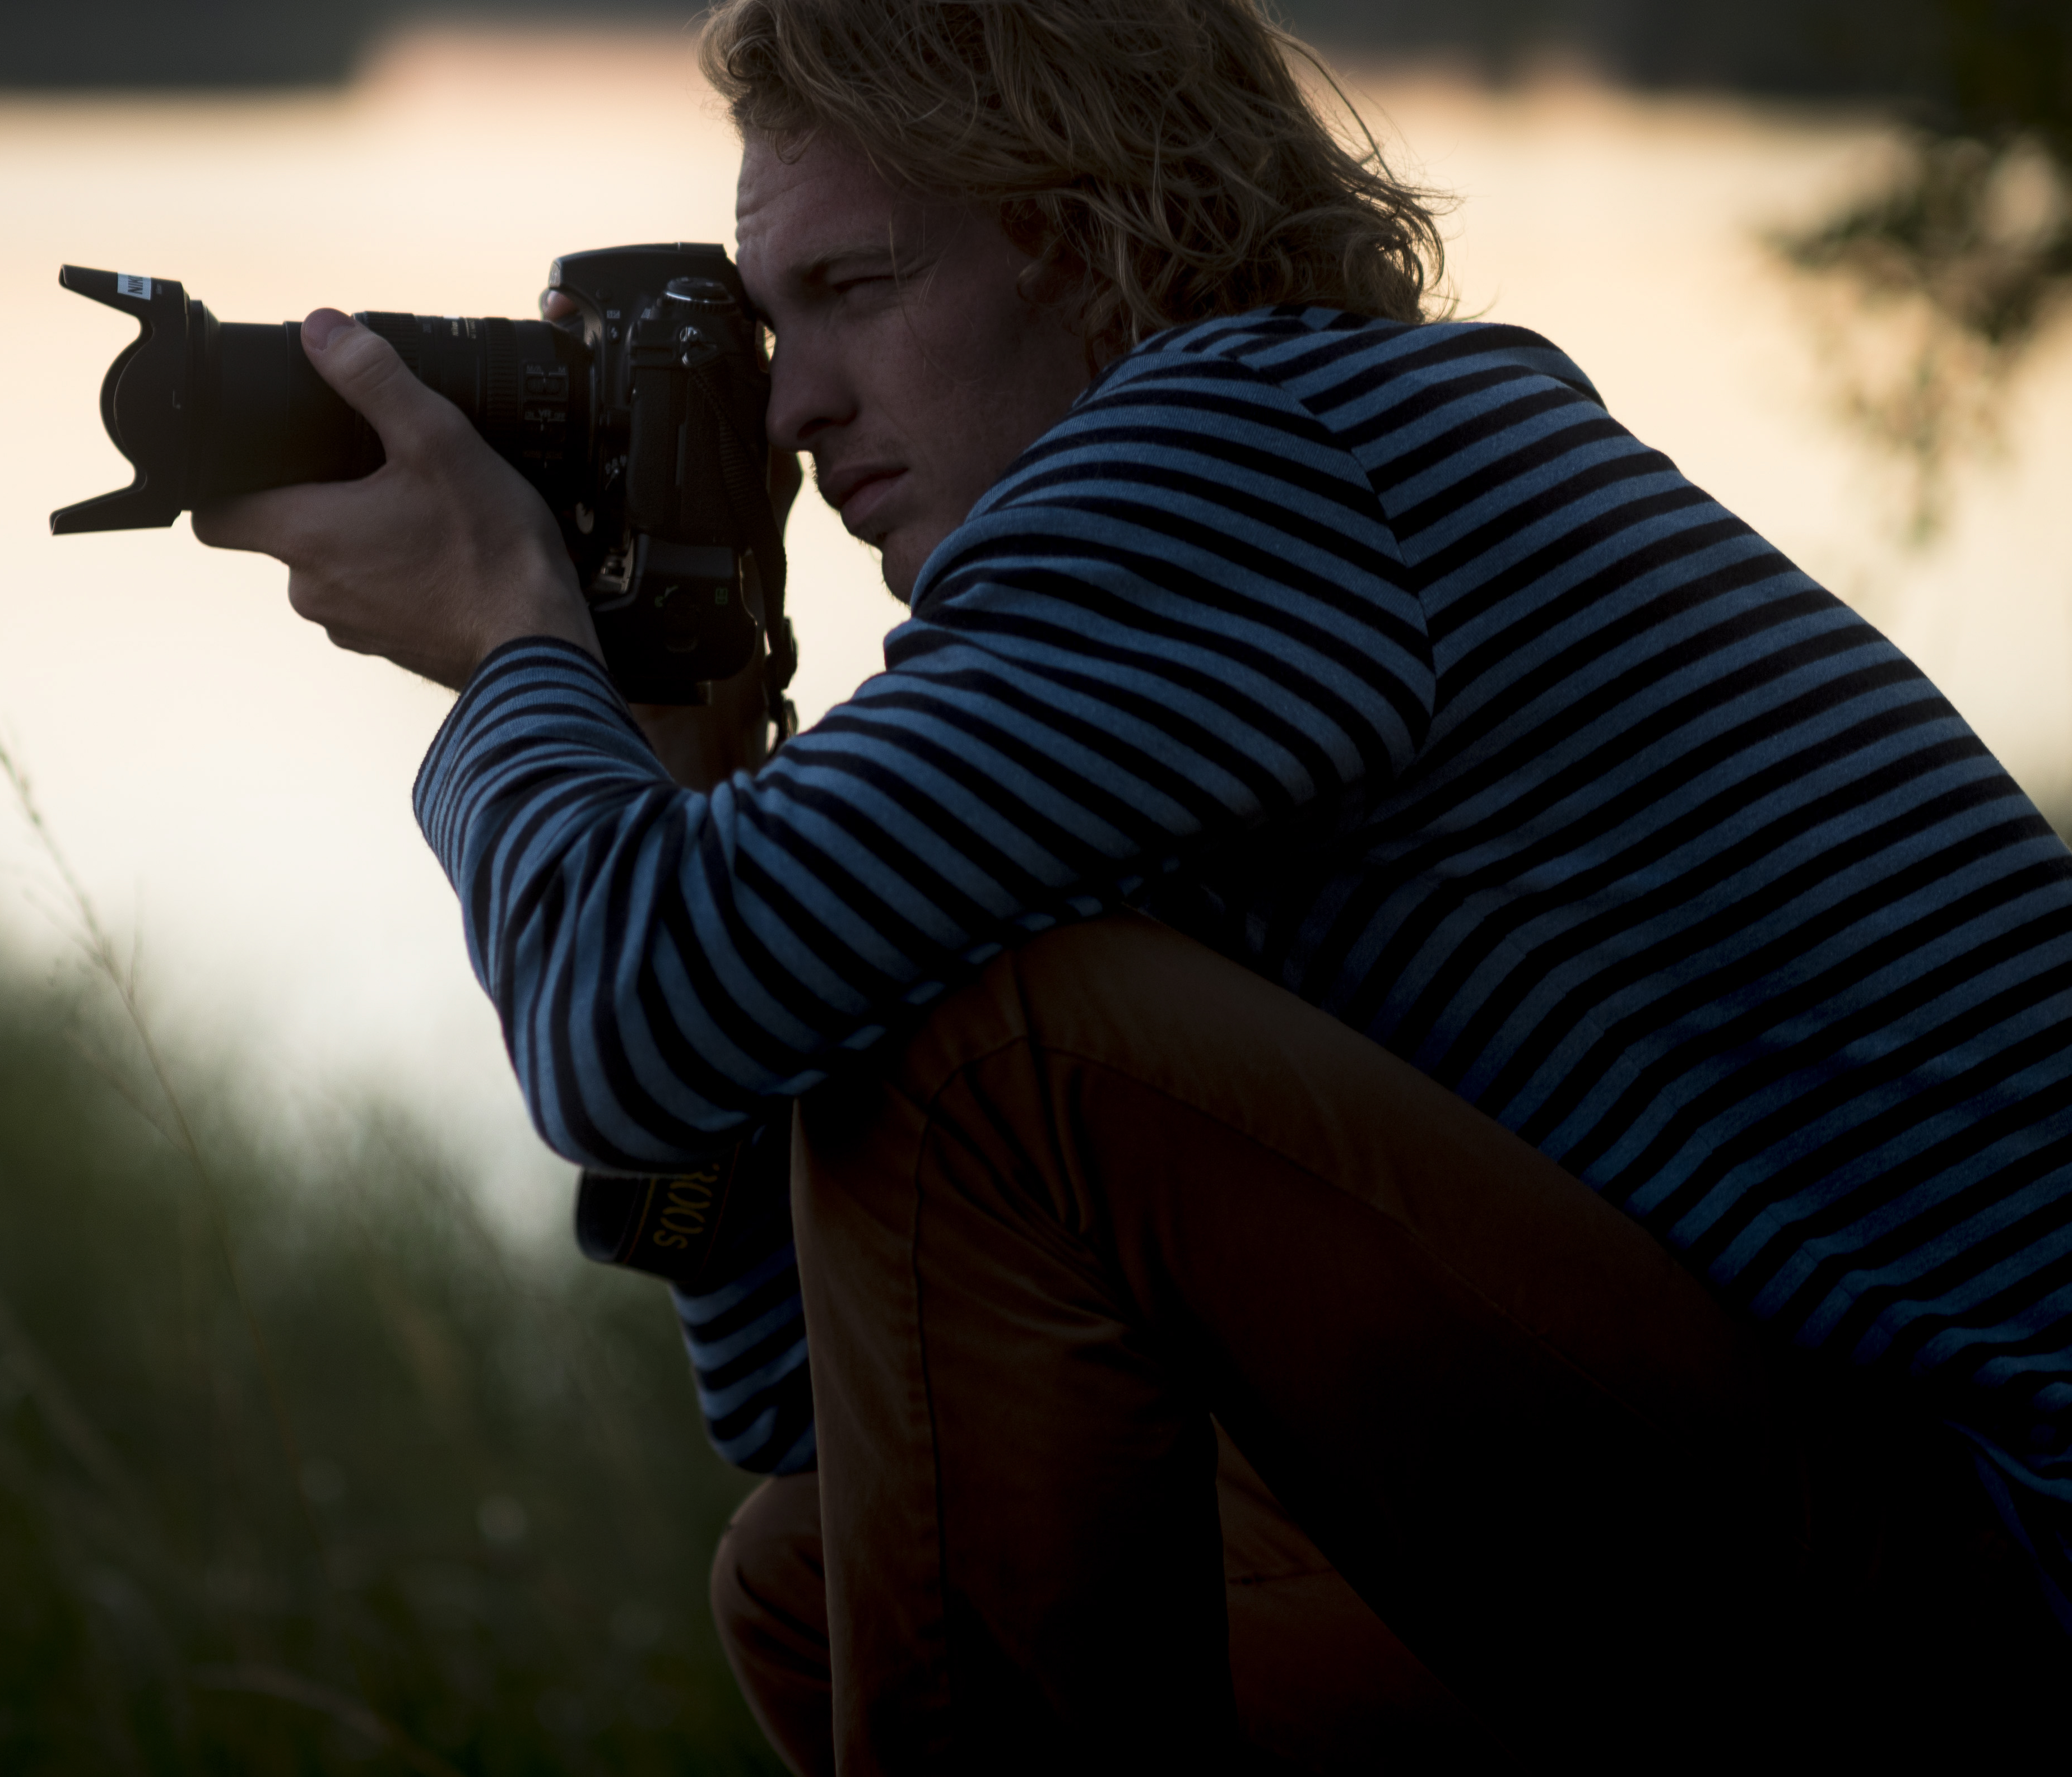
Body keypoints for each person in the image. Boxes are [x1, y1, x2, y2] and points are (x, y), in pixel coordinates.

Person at [194, 0, 2072, 1767]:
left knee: (990, 1054)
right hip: (1866, 1525)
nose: (791, 412)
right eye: (770, 325)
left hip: (2008, 1570)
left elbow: (624, 1031)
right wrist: (678, 752)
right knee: (818, 1574)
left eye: (857, 288)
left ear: (1101, 237)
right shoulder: (1199, 602)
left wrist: (514, 652)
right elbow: (819, 1399)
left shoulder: (1255, 450)